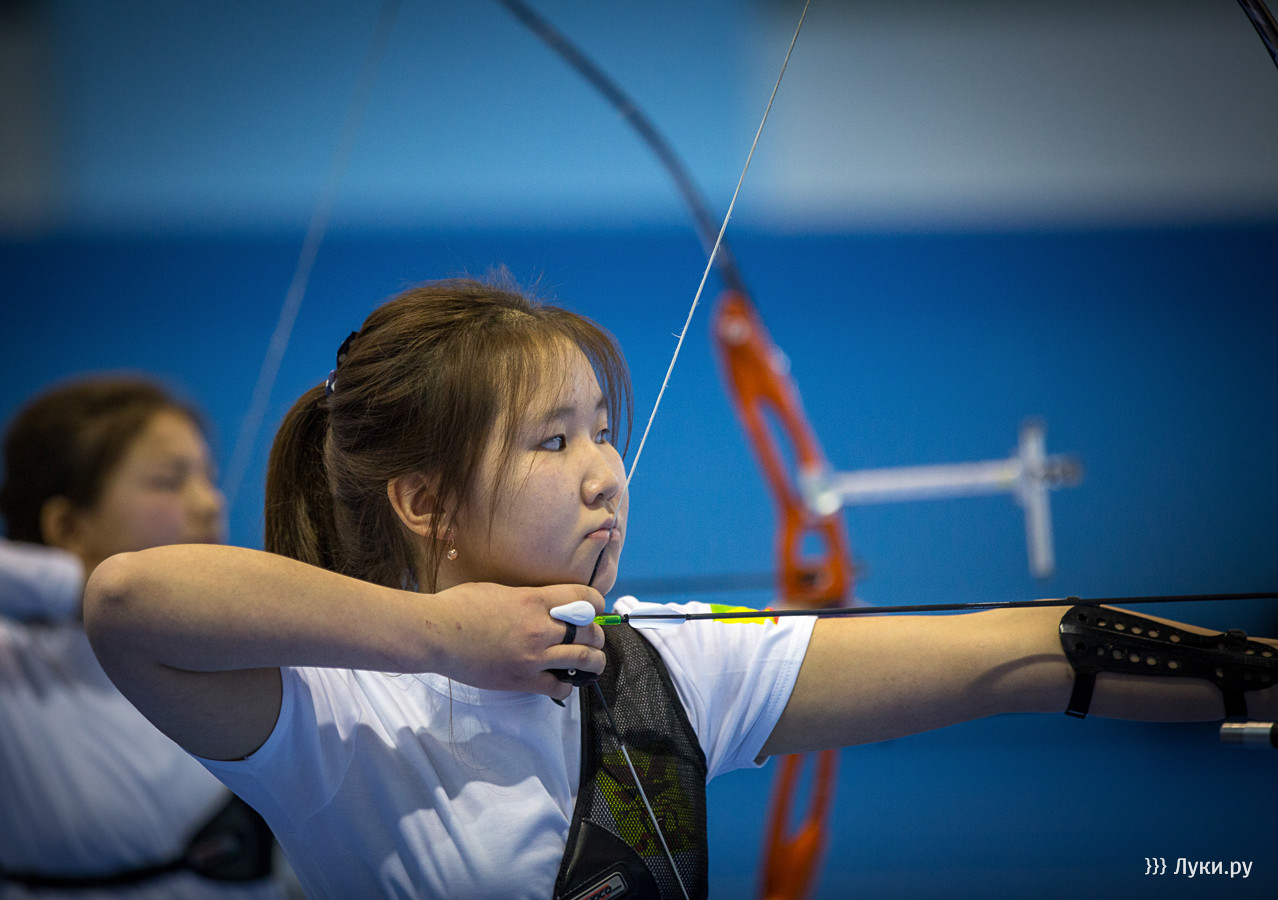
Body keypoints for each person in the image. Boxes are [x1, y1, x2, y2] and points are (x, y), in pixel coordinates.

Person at [82, 276, 1278, 900]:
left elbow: (1016, 655)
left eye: (604, 431)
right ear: (424, 501)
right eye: (553, 441)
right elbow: (129, 604)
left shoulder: (665, 664)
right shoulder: (332, 717)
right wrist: (440, 636)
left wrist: (1254, 679)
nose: (605, 472)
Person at [0, 377, 291, 899]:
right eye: (168, 482)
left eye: (207, 478)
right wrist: (85, 584)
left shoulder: (231, 648)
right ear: (68, 526)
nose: (209, 503)